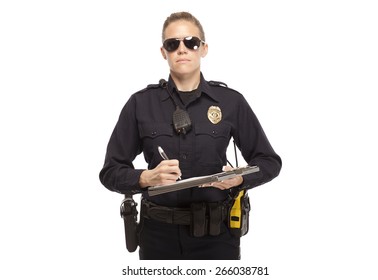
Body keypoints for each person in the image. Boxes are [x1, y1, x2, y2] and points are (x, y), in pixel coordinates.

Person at [99, 11, 282, 260]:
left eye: (191, 42)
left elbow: (269, 162)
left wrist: (239, 179)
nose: (182, 49)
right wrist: (144, 177)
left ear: (203, 48)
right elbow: (110, 171)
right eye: (172, 44)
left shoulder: (231, 102)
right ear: (164, 52)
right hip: (157, 236)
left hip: (217, 237)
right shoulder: (140, 104)